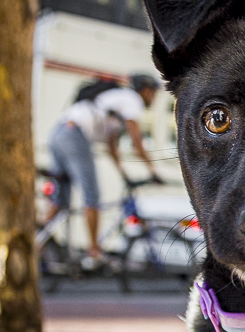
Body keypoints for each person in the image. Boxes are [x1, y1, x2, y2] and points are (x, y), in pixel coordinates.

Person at [46, 73, 163, 262]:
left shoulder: (116, 103)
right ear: (146, 90)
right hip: (74, 136)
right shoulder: (132, 100)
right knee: (92, 195)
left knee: (60, 199)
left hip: (59, 133)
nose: (154, 99)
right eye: (154, 93)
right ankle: (94, 251)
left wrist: (124, 175)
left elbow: (112, 148)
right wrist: (153, 172)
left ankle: (37, 240)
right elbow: (137, 142)